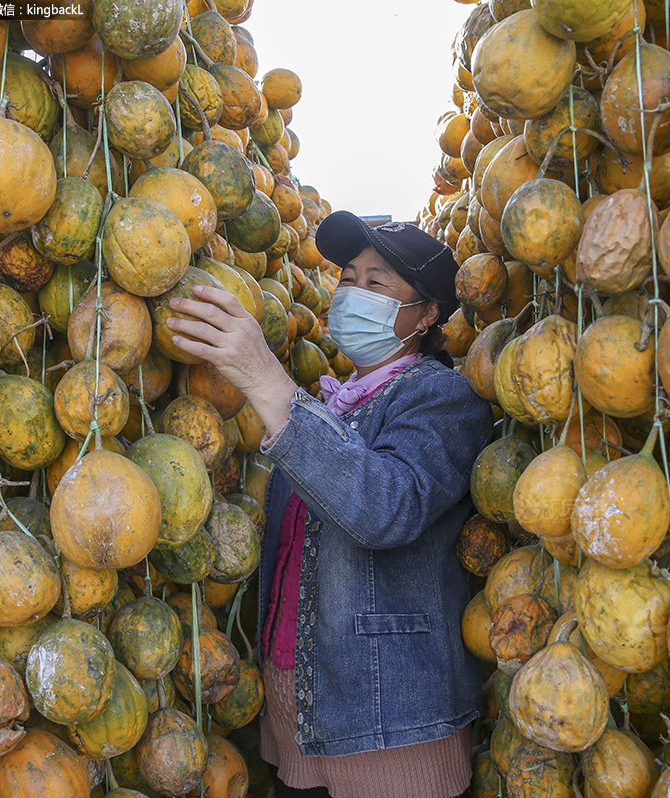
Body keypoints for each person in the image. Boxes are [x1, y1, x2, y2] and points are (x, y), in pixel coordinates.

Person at [167, 211, 492, 798]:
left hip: (389, 722)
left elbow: (385, 507)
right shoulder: (334, 405)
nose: (352, 292)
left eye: (377, 282)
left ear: (426, 313)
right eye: (346, 278)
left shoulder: (444, 397)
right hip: (300, 708)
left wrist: (266, 378)